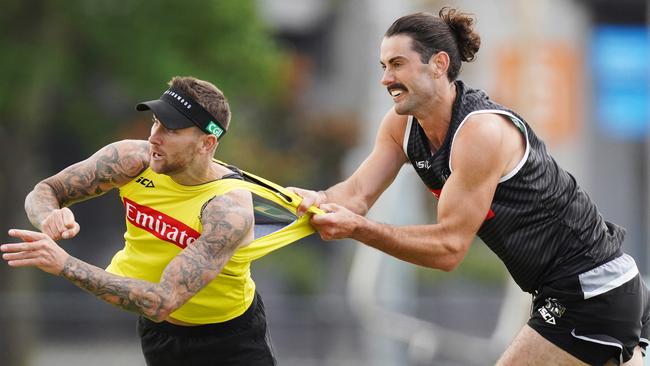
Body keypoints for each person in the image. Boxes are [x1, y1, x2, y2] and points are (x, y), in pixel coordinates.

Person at [289, 8, 650, 366]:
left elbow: (448, 249)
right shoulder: (402, 125)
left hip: (591, 290)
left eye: (397, 64)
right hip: (589, 289)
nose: (386, 78)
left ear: (439, 64)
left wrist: (360, 230)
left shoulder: (480, 133)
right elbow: (355, 196)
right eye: (383, 66)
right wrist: (313, 200)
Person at [1, 76, 320, 366]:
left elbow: (162, 300)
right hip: (158, 335)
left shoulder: (227, 208)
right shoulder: (132, 160)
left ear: (207, 143)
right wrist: (49, 216)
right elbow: (46, 190)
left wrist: (65, 265)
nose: (154, 137)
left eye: (170, 129)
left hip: (230, 342)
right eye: (155, 122)